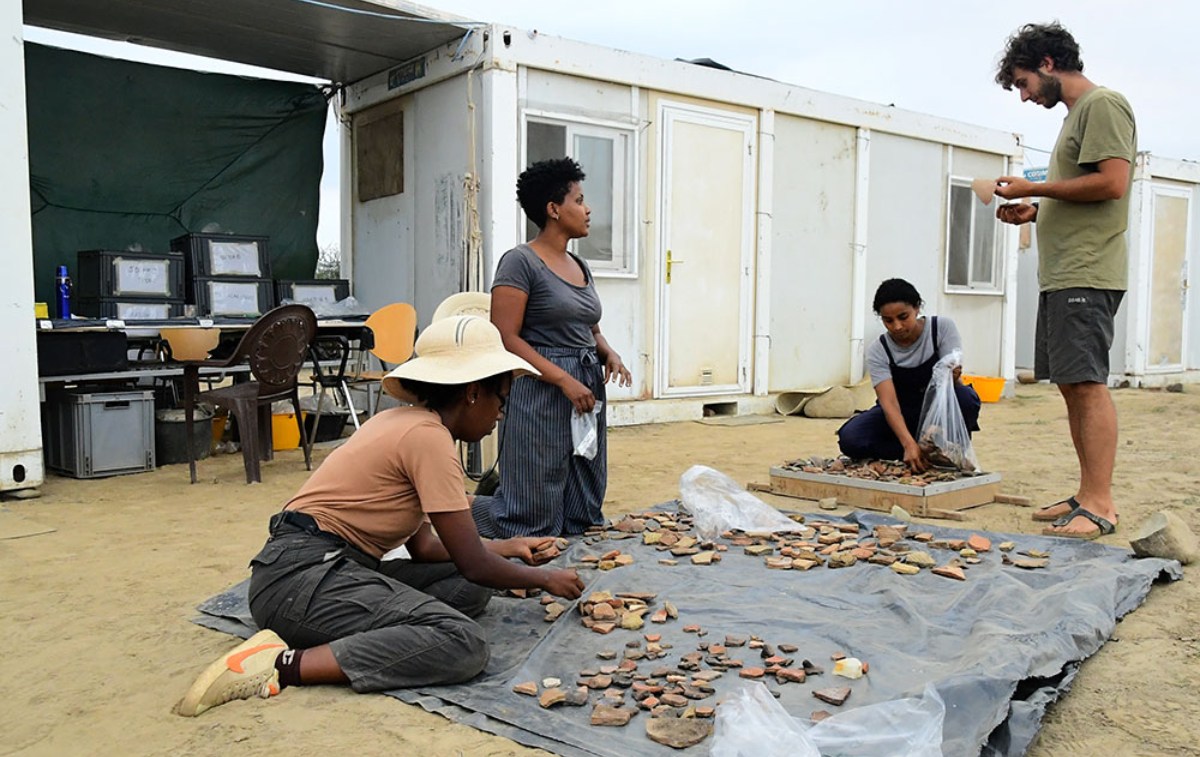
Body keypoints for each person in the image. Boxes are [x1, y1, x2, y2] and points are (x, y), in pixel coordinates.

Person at [176, 315, 585, 717]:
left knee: (467, 590)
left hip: (315, 572)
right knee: (463, 642)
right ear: (474, 393)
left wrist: (508, 547)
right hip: (300, 581)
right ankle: (280, 664)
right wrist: (547, 580)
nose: (500, 414)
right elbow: (475, 564)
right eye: (502, 399)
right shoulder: (429, 439)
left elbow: (424, 548)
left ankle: (376, 630)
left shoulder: (405, 422)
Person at [992, 22, 1136, 539]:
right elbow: (1083, 190)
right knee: (1072, 386)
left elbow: (1113, 182)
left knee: (1088, 385)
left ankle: (1100, 503)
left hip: (1087, 270)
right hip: (1064, 272)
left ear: (1048, 64)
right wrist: (1036, 209)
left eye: (1024, 83)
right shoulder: (1078, 117)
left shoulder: (1102, 105)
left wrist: (1037, 185)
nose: (1025, 96)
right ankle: (1085, 493)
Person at [471, 157, 632, 538]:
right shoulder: (520, 262)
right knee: (532, 498)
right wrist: (562, 380)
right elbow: (506, 336)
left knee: (583, 483)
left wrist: (608, 351)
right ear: (553, 209)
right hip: (541, 386)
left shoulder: (579, 265)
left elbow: (588, 324)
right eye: (578, 200)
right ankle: (466, 524)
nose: (587, 208)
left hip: (585, 384)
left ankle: (575, 548)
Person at [837, 279, 981, 471]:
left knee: (966, 398)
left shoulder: (942, 329)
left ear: (917, 308)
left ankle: (945, 449)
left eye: (903, 317)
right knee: (851, 438)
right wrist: (908, 443)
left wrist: (952, 375)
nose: (897, 326)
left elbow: (949, 383)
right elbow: (889, 404)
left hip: (938, 410)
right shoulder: (879, 350)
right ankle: (918, 453)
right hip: (902, 412)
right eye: (888, 320)